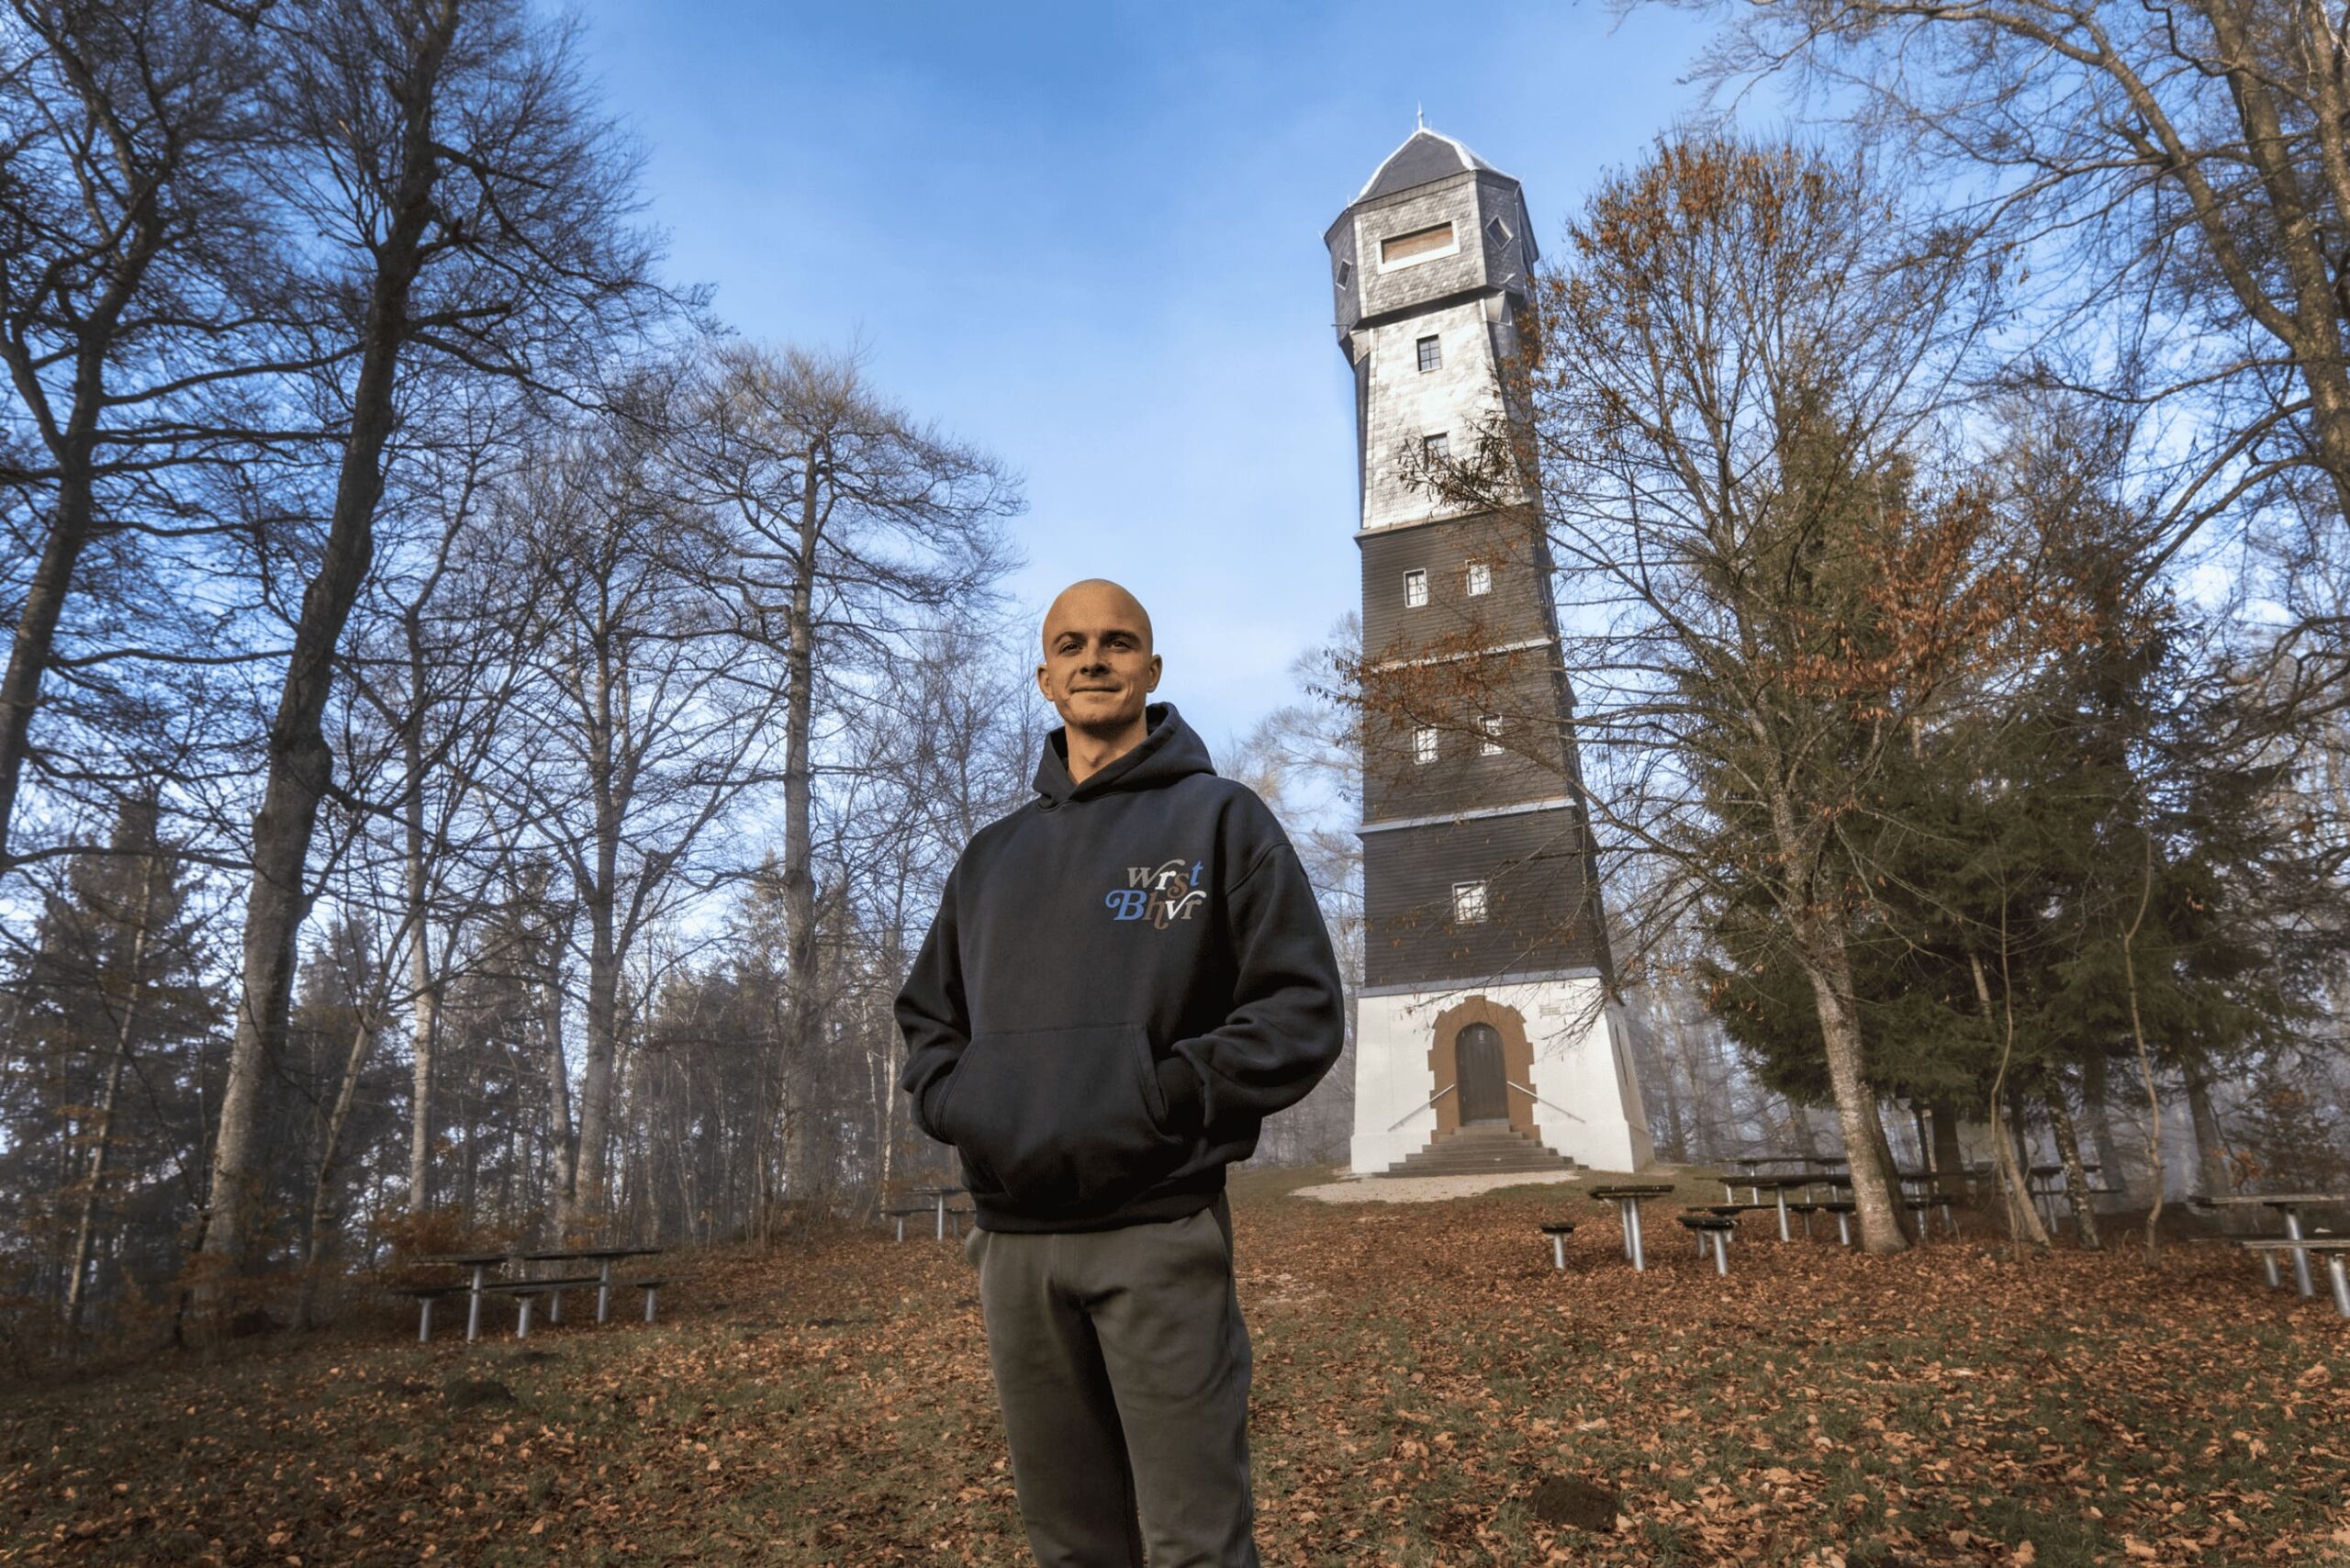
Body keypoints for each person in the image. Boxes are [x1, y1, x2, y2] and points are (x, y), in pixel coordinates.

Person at [896, 578, 1345, 1568]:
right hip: (1016, 1248)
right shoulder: (990, 858)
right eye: (1071, 645)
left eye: (1116, 641)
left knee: (1195, 1546)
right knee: (1072, 1547)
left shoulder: (1220, 822)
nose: (1093, 658)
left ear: (1151, 668)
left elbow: (1299, 1009)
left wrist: (1164, 1094)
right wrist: (970, 1105)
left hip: (1157, 1230)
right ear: (1045, 678)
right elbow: (928, 1019)